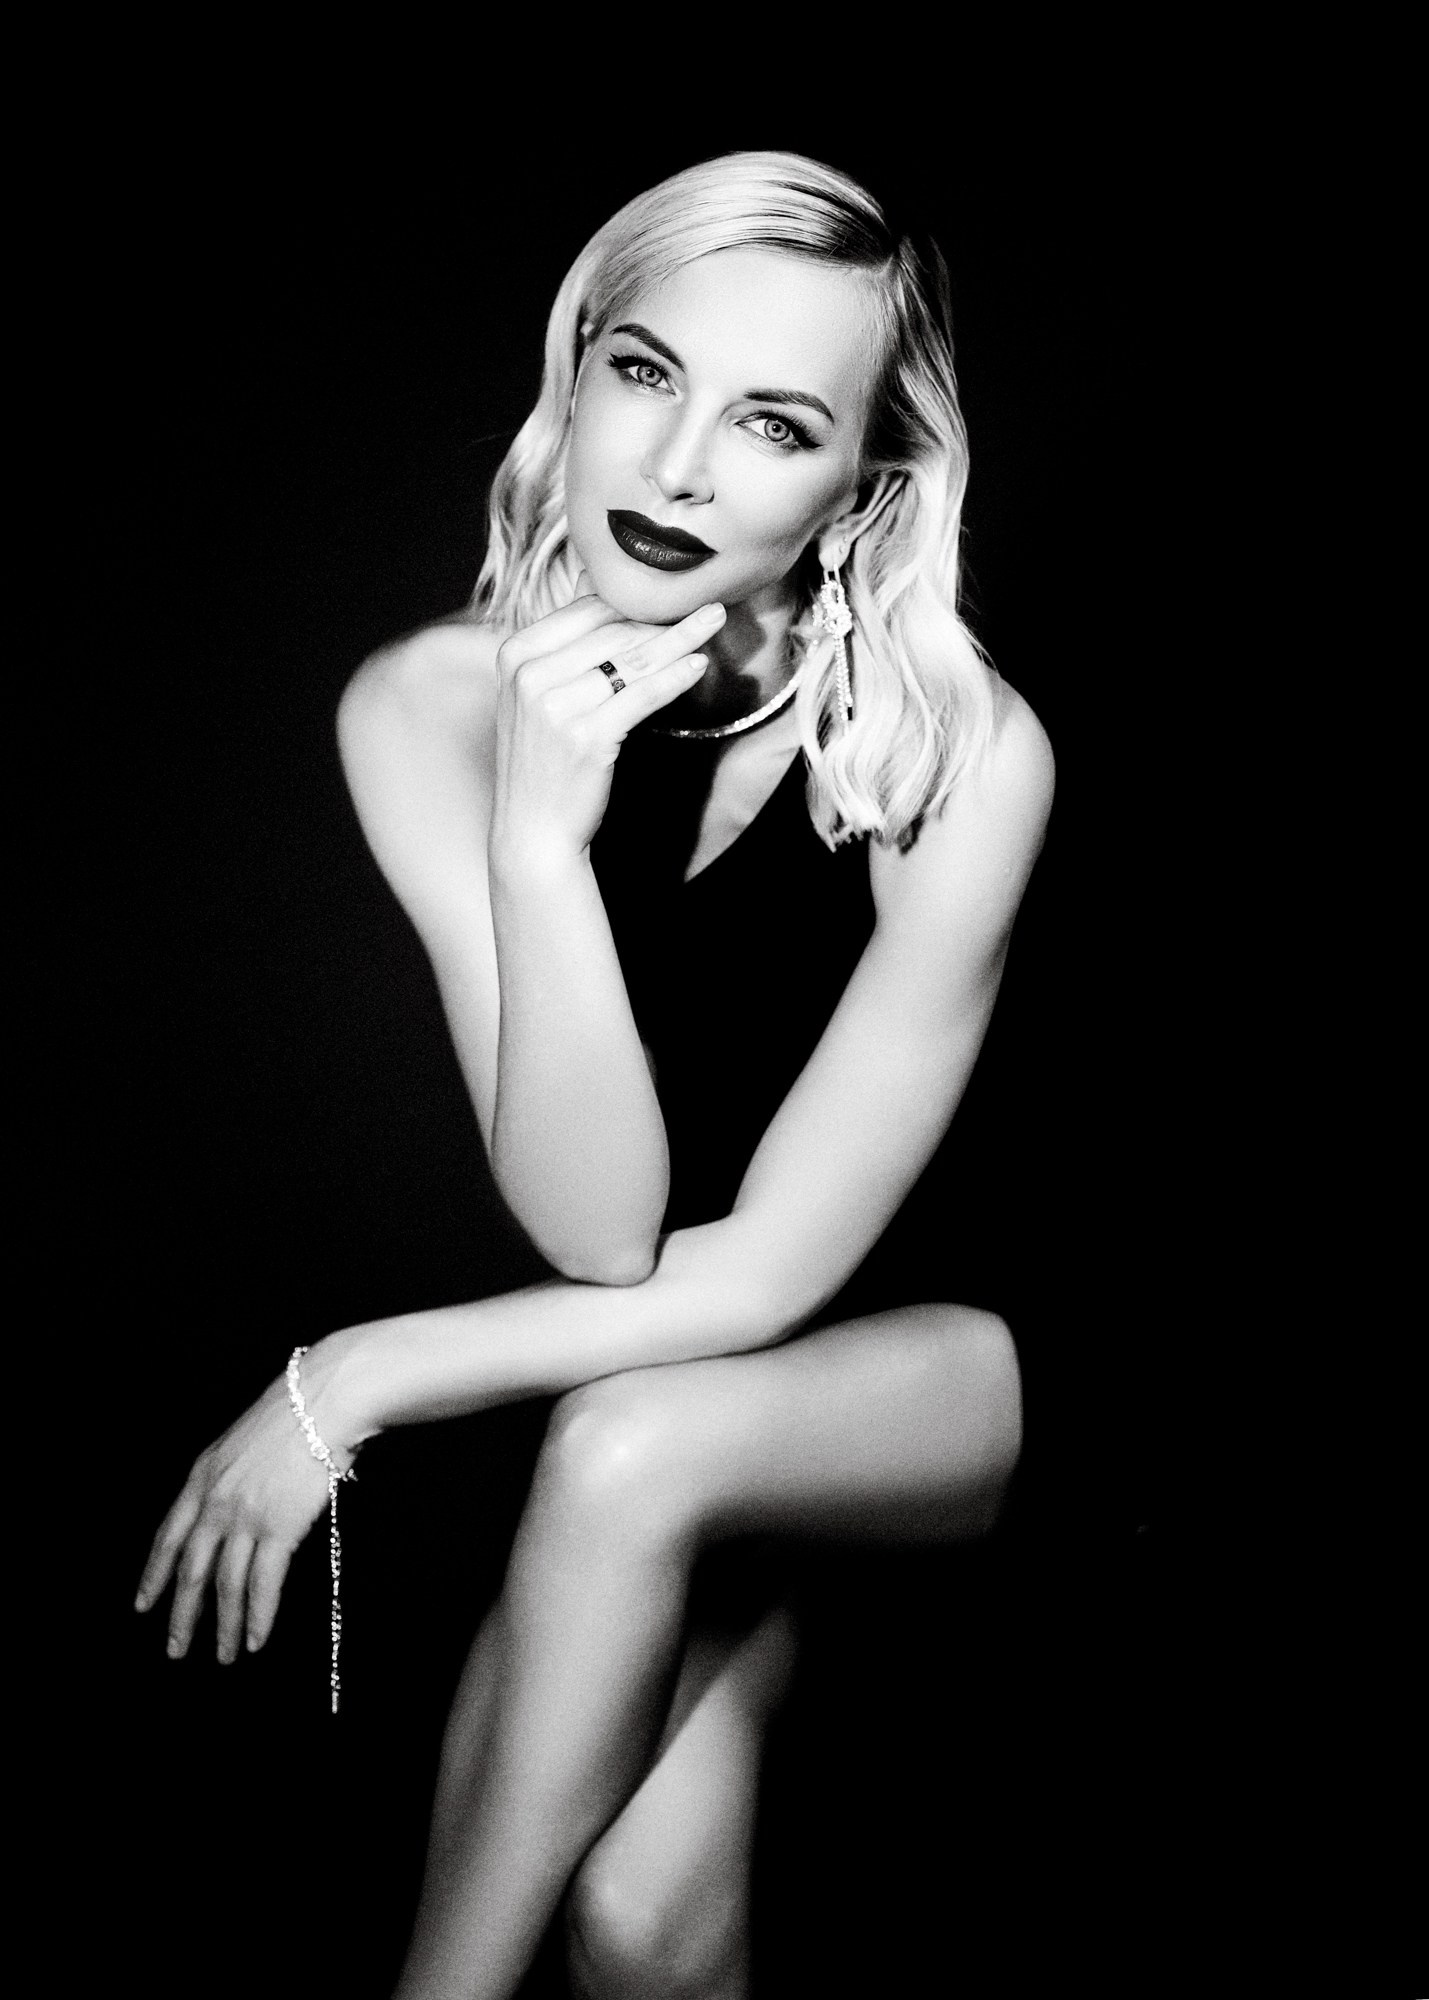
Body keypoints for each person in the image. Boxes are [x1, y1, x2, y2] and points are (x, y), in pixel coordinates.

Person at [135, 150, 1055, 1999]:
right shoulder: (427, 709)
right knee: (639, 1924)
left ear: (863, 480)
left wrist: (353, 1375)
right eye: (646, 374)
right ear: (575, 370)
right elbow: (600, 1232)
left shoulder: (957, 753)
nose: (681, 466)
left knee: (630, 1443)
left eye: (774, 423)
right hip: (649, 1351)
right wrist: (539, 845)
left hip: (954, 1356)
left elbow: (769, 1278)